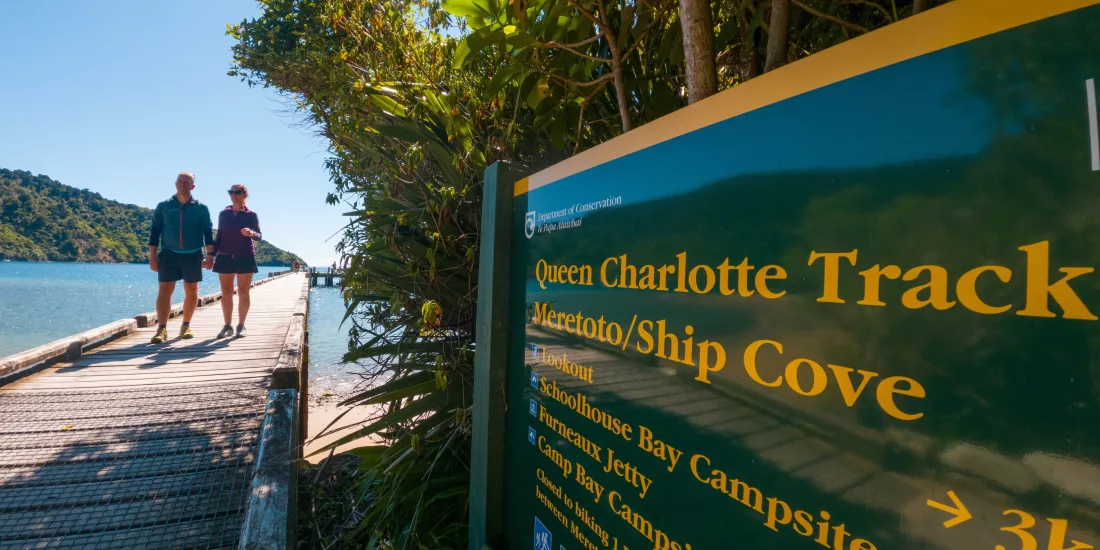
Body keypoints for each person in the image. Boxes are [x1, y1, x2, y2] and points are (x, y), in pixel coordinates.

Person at [148, 172, 215, 343]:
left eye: (187, 182)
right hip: (169, 254)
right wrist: (152, 257)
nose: (183, 184)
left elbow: (208, 232)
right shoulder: (164, 206)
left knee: (192, 290)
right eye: (180, 181)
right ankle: (161, 329)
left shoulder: (201, 208)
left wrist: (210, 255)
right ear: (175, 184)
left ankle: (186, 325)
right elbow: (155, 232)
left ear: (193, 186)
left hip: (193, 254)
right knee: (165, 291)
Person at [213, 184, 262, 338]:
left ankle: (241, 325)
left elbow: (259, 236)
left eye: (237, 192)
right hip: (225, 255)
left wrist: (251, 233)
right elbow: (219, 236)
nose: (233, 195)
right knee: (226, 292)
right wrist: (210, 255)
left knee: (243, 292)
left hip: (245, 255)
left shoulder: (251, 215)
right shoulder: (223, 214)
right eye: (231, 192)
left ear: (244, 195)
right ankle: (227, 326)